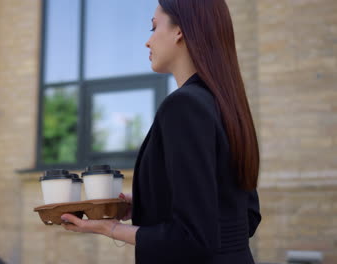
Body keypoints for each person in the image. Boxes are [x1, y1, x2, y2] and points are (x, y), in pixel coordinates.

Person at [60, 0, 262, 263]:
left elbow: (194, 237)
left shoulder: (184, 106)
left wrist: (110, 228)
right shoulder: (227, 105)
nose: (148, 41)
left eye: (154, 27)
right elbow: (244, 216)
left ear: (179, 31)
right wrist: (145, 202)